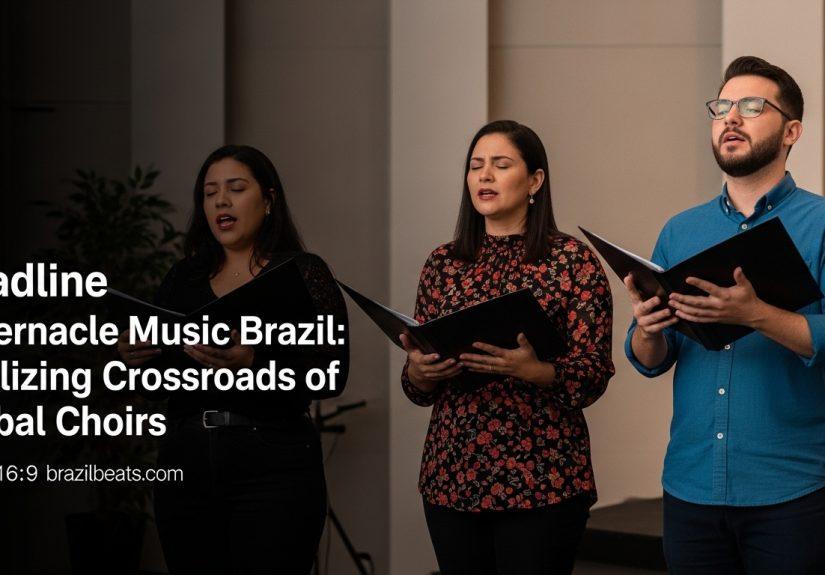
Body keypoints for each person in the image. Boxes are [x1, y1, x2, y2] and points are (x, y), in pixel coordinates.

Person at [624, 56, 825, 574]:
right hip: (690, 486)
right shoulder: (679, 230)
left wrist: (757, 313)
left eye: (752, 107)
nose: (731, 118)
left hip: (792, 491)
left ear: (791, 132)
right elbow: (649, 358)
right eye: (722, 107)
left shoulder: (820, 223)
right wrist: (648, 329)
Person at [116, 144, 349, 574]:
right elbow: (153, 390)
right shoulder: (183, 278)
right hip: (185, 462)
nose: (220, 201)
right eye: (209, 193)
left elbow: (330, 373)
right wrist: (135, 360)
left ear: (269, 199)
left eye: (235, 188)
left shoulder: (303, 272)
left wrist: (256, 359)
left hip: (275, 462)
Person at [400, 120, 614, 575]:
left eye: (501, 164)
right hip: (452, 474)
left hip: (543, 476)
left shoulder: (571, 260)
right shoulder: (443, 263)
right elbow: (416, 384)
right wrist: (420, 373)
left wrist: (539, 371)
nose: (485, 176)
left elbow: (594, 373)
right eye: (476, 166)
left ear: (534, 180)